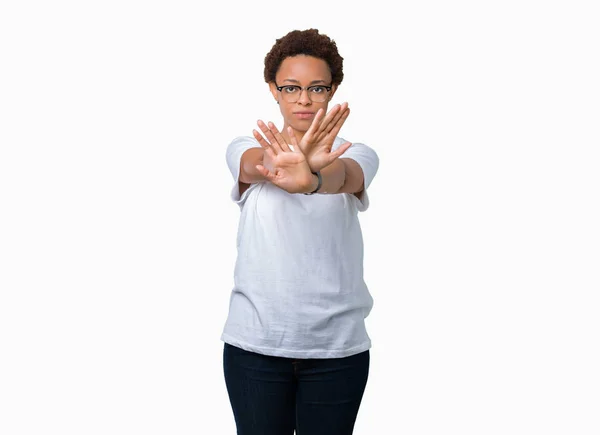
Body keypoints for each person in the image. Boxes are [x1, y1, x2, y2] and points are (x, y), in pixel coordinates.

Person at [221, 28, 379, 435]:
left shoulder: (357, 153)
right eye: (291, 87)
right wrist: (290, 161)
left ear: (334, 89)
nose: (304, 99)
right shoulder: (245, 145)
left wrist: (310, 178)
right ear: (273, 89)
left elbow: (345, 177)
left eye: (317, 87)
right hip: (255, 347)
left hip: (337, 349)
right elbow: (254, 165)